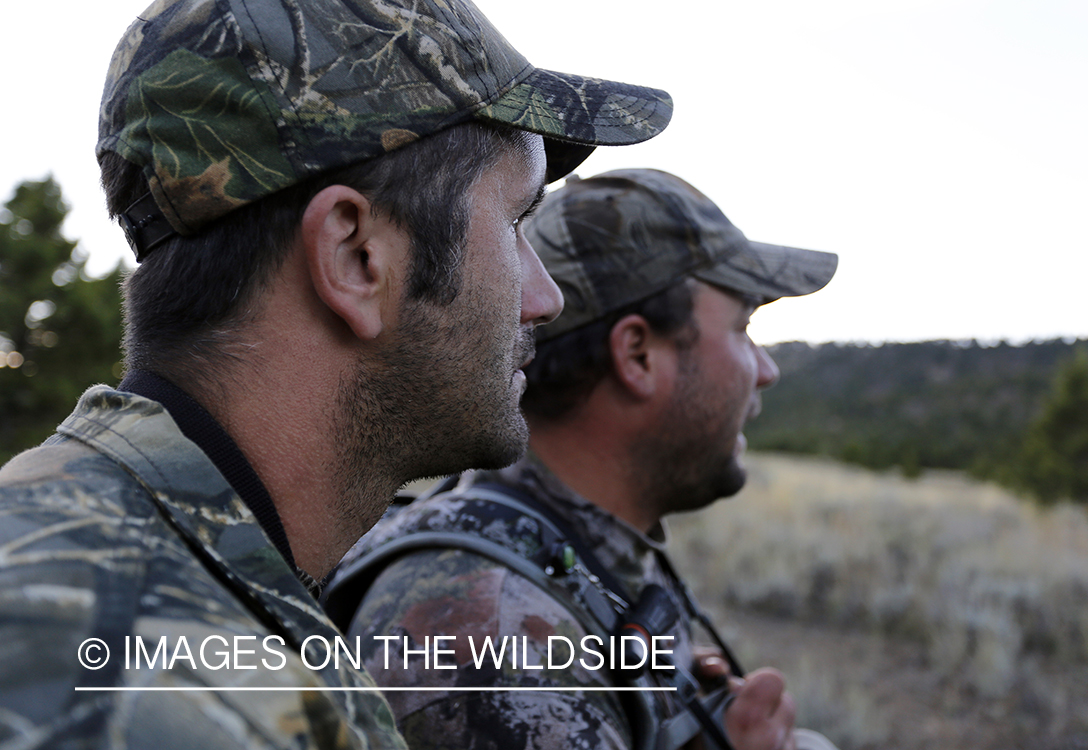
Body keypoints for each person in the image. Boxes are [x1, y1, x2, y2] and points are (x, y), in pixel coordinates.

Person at [0, 0, 671, 746]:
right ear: (355, 259)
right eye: (516, 221)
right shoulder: (197, 711)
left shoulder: (84, 547)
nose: (546, 299)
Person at [326, 169, 840, 750]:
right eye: (743, 328)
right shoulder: (500, 654)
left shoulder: (554, 550)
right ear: (638, 355)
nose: (766, 371)